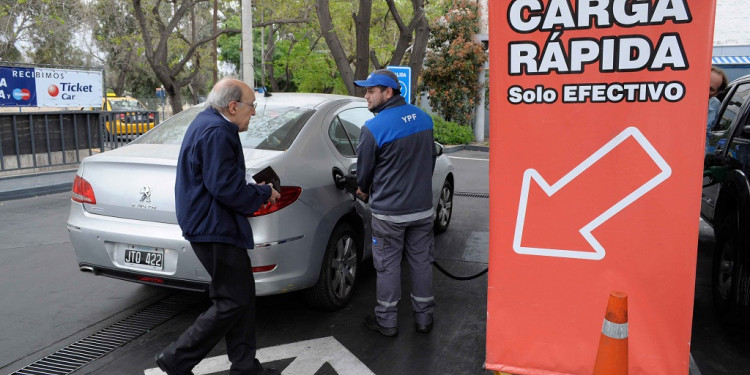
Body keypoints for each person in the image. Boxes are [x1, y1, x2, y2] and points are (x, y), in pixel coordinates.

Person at [156, 78, 281, 375]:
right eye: (252, 106)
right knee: (232, 300)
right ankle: (176, 358)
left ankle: (245, 367)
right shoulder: (217, 132)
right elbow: (225, 188)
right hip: (215, 227)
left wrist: (250, 185)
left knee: (240, 298)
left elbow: (220, 178)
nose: (254, 113)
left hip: (212, 223)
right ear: (234, 105)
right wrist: (263, 193)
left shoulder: (208, 123)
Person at [354, 69, 437, 337]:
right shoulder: (424, 119)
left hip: (389, 215)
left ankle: (387, 322)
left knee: (388, 267)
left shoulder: (374, 128)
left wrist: (363, 190)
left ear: (388, 92)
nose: (366, 95)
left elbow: (364, 174)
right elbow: (430, 162)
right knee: (421, 263)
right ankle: (424, 319)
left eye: (370, 91)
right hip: (422, 210)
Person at [707, 66, 728, 152]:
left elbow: (708, 133)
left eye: (710, 89)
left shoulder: (715, 105)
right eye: (703, 84)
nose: (704, 89)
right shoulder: (679, 98)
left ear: (717, 93)